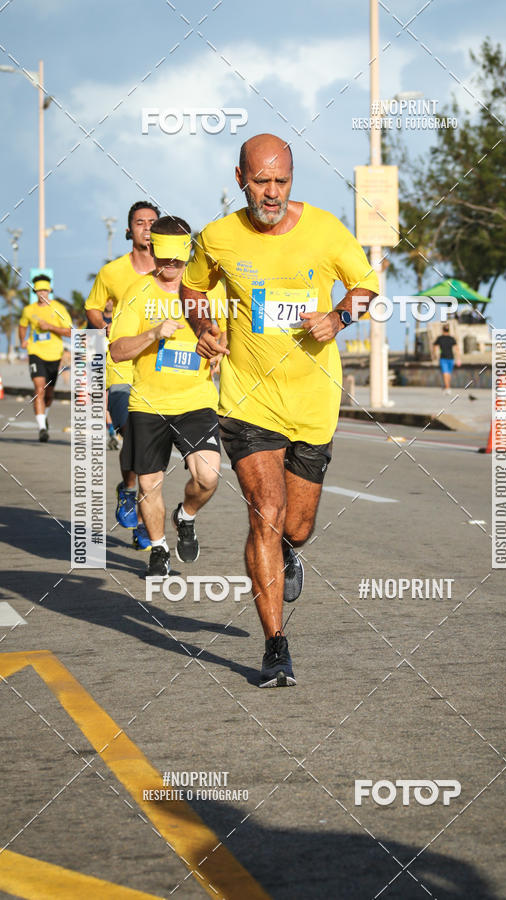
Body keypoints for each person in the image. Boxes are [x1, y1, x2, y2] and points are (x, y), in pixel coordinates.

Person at [181, 133, 379, 688]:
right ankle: (276, 646)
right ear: (239, 177)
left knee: (297, 524)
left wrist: (339, 317)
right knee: (265, 511)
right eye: (261, 181)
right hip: (247, 399)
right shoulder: (217, 237)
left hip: (313, 401)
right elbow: (194, 291)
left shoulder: (324, 230)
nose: (271, 194)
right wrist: (205, 326)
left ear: (292, 180)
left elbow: (365, 286)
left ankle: (291, 552)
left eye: (282, 182)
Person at [110, 216, 221, 580]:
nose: (171, 266)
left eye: (178, 259)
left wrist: (221, 350)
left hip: (196, 401)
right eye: (165, 258)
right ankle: (158, 549)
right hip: (148, 405)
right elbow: (118, 350)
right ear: (153, 250)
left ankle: (185, 516)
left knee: (207, 477)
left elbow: (229, 334)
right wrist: (153, 333)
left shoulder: (208, 292)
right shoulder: (137, 293)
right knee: (147, 484)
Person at [85, 201, 160, 550]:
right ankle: (130, 491)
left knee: (150, 448)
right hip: (121, 369)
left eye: (152, 222)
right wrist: (106, 327)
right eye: (140, 222)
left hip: (161, 372)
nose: (146, 227)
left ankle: (145, 519)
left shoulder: (171, 272)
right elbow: (92, 307)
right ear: (129, 231)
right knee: (133, 432)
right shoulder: (112, 272)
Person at [19, 274, 72, 441]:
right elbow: (22, 326)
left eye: (45, 290)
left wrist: (50, 327)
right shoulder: (29, 310)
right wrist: (23, 340)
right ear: (35, 291)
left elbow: (70, 331)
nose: (42, 293)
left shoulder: (58, 308)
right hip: (35, 352)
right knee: (39, 390)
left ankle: (44, 416)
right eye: (39, 290)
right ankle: (42, 428)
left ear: (50, 291)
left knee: (49, 394)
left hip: (54, 354)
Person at [433, 323, 461, 394]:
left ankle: (447, 388)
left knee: (445, 373)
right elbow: (456, 349)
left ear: (442, 330)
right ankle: (447, 387)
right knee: (448, 373)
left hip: (443, 358)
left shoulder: (440, 338)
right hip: (451, 358)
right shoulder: (452, 339)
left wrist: (435, 355)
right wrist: (458, 358)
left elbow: (435, 347)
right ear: (449, 330)